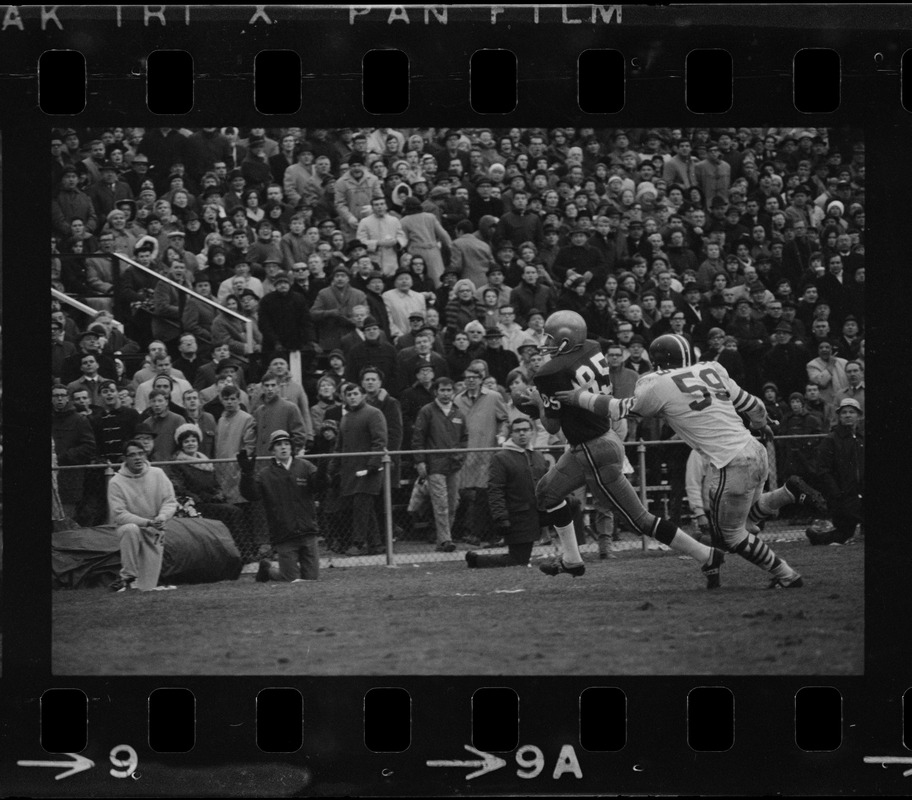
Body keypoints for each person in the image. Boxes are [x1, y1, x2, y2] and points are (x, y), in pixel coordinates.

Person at [556, 332, 828, 589]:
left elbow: (618, 409)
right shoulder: (713, 369)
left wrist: (580, 397)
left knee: (729, 536)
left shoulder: (656, 383)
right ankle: (787, 493)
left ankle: (787, 575)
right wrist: (763, 424)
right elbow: (753, 404)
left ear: (657, 360)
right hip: (754, 449)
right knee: (742, 520)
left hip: (730, 462)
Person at [521, 312, 722, 582]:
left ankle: (706, 555)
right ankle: (572, 560)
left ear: (567, 340)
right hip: (598, 440)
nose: (545, 342)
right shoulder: (592, 347)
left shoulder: (550, 372)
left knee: (640, 519)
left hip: (593, 450)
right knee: (546, 493)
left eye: (551, 337)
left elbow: (553, 427)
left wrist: (537, 404)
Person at [238, 429, 322, 582]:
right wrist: (246, 474)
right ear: (272, 450)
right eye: (278, 445)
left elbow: (320, 485)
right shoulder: (265, 474)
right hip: (284, 535)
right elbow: (251, 494)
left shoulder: (305, 466)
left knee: (311, 580)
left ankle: (279, 570)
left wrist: (322, 471)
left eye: (286, 443)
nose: (283, 447)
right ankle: (268, 570)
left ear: (291, 447)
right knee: (290, 579)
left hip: (308, 532)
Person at [466, 417, 549, 568]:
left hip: (536, 515)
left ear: (532, 432)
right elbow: (495, 490)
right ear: (511, 434)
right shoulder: (501, 458)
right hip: (516, 516)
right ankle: (476, 561)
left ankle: (572, 557)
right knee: (518, 560)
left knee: (520, 558)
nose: (522, 434)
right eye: (517, 431)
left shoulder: (538, 456)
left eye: (525, 430)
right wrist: (501, 517)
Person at [107, 439, 178, 592]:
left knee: (147, 588)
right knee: (130, 529)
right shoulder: (115, 482)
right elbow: (119, 515)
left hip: (155, 530)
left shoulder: (158, 474)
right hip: (131, 529)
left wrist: (162, 517)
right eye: (132, 455)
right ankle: (127, 576)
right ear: (125, 458)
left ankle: (143, 581)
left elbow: (170, 502)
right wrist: (147, 522)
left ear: (146, 455)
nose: (137, 458)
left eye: (141, 453)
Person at [329, 383, 388, 556]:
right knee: (364, 508)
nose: (352, 397)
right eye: (349, 394)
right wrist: (333, 466)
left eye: (355, 393)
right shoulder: (346, 417)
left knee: (361, 507)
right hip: (350, 470)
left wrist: (372, 465)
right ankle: (376, 544)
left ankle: (359, 543)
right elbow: (340, 445)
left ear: (362, 395)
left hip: (368, 470)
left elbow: (380, 441)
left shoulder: (373, 413)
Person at [411, 377, 468, 552]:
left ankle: (442, 538)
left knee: (453, 502)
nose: (445, 393)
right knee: (440, 502)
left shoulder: (458, 413)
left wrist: (460, 457)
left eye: (449, 390)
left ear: (453, 392)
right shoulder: (427, 411)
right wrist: (420, 461)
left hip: (454, 465)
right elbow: (418, 437)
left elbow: (464, 438)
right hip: (434, 464)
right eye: (442, 390)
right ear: (436, 391)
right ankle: (445, 540)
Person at [169, 423, 244, 534]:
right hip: (195, 503)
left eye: (193, 441)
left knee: (234, 510)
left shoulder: (205, 462)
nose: (190, 444)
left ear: (198, 443)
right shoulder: (178, 463)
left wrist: (218, 494)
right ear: (181, 444)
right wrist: (199, 497)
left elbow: (215, 484)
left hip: (212, 500)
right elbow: (180, 488)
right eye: (186, 441)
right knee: (232, 511)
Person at [815, 397, 864, 545]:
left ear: (859, 415)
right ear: (839, 416)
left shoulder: (861, 438)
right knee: (842, 535)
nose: (848, 415)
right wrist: (837, 494)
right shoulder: (831, 439)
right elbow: (823, 470)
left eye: (852, 412)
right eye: (844, 412)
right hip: (843, 498)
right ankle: (815, 535)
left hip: (860, 494)